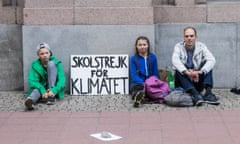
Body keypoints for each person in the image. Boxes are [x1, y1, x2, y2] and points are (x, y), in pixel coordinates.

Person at [172, 26, 219, 106]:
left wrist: (200, 71)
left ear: (196, 37)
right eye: (186, 36)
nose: (189, 38)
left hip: (197, 80)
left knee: (207, 65)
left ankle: (208, 93)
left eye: (191, 36)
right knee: (178, 68)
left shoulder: (201, 46)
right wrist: (188, 73)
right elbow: (175, 60)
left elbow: (212, 60)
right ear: (184, 38)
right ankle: (195, 94)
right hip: (184, 82)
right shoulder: (178, 47)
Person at [25, 43, 66, 110]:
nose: (45, 55)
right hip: (41, 88)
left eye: (47, 53)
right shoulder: (35, 65)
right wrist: (42, 90)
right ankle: (30, 102)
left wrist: (54, 90)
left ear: (50, 53)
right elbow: (32, 80)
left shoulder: (56, 62)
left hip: (53, 88)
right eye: (42, 54)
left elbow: (62, 79)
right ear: (38, 55)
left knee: (51, 64)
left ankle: (51, 96)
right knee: (36, 91)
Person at [130, 36, 159, 107]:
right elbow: (134, 76)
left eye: (144, 44)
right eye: (140, 45)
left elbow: (156, 74)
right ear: (136, 46)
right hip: (138, 83)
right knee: (137, 88)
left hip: (150, 82)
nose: (142, 47)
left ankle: (143, 97)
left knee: (153, 88)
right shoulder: (133, 59)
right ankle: (138, 96)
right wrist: (143, 83)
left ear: (148, 45)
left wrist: (150, 82)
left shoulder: (153, 57)